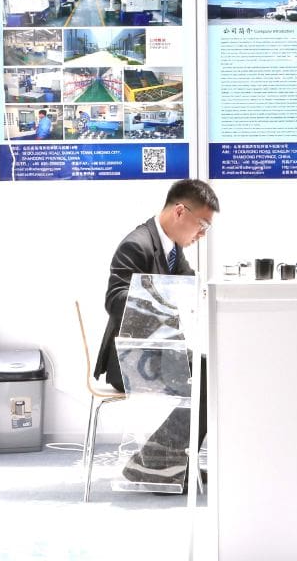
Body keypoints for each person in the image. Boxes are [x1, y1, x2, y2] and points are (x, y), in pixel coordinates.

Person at [95, 178, 219, 491]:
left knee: (211, 370)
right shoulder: (137, 244)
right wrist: (164, 299)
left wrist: (197, 296)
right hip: (129, 358)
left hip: (157, 352)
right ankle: (157, 463)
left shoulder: (172, 249)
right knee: (207, 374)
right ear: (180, 212)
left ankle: (158, 461)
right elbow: (114, 300)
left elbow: (187, 288)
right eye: (202, 224)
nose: (202, 233)